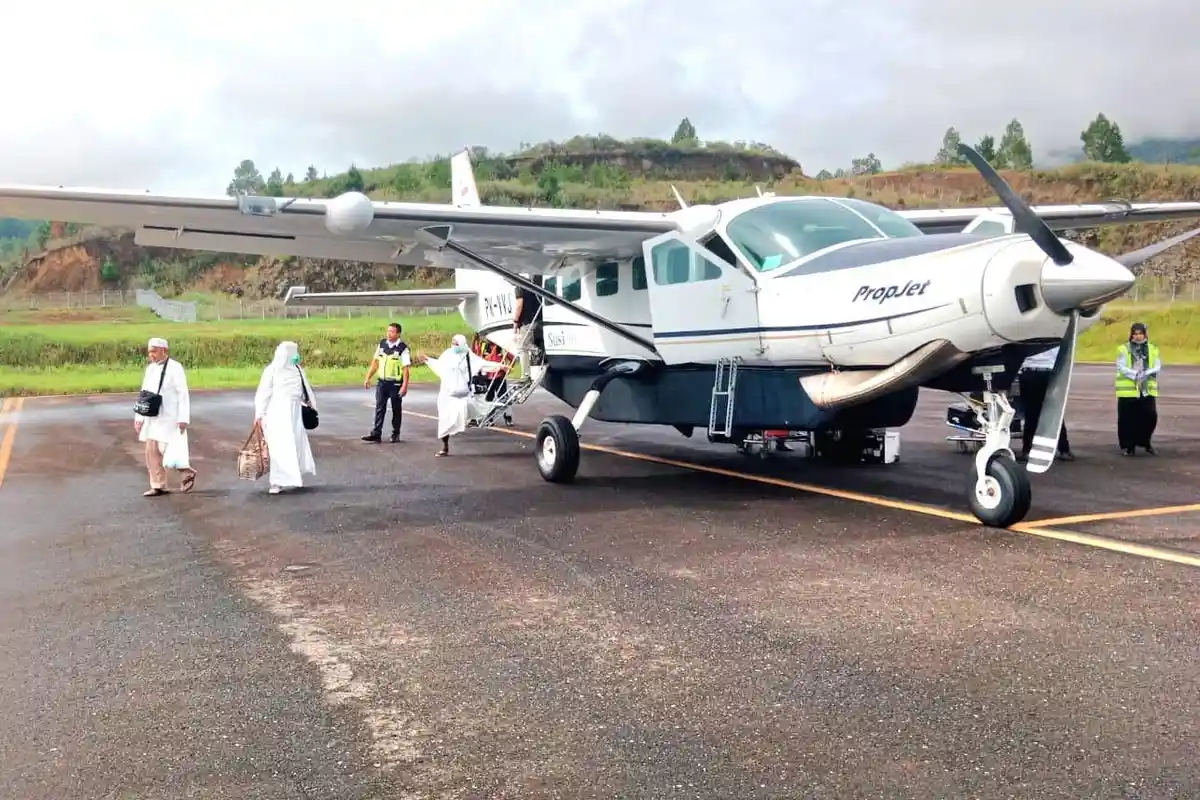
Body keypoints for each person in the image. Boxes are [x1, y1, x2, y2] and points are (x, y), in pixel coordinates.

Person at [414, 334, 506, 457]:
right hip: (447, 394)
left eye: (456, 344)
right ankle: (445, 447)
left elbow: (483, 364)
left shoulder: (469, 355)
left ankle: (485, 414)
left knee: (472, 409)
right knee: (444, 419)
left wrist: (500, 366)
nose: (454, 346)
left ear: (462, 344)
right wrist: (428, 359)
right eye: (452, 343)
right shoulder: (448, 354)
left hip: (462, 394)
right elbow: (439, 365)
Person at [133, 337, 196, 497]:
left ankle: (186, 472)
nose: (151, 355)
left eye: (154, 351)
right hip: (152, 416)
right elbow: (144, 394)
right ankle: (158, 485)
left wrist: (183, 417)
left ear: (164, 351)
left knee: (168, 449)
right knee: (151, 450)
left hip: (170, 415)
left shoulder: (175, 368)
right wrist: (139, 417)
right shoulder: (150, 369)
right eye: (149, 352)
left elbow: (183, 394)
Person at [254, 341, 317, 494]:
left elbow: (304, 389)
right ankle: (277, 482)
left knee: (295, 445)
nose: (296, 355)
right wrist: (259, 414)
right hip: (277, 414)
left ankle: (294, 477)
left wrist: (312, 407)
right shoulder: (272, 370)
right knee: (279, 447)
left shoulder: (297, 370)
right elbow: (263, 393)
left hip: (295, 414)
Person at [1016, 345, 1074, 462]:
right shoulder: (1053, 336)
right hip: (1049, 372)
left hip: (1029, 373)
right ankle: (1063, 449)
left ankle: (1027, 450)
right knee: (1054, 412)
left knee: (1031, 414)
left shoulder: (1028, 336)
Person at [1116, 321, 1161, 455]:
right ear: (1131, 335)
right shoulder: (1123, 348)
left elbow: (1158, 365)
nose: (1138, 336)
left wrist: (1146, 373)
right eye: (1135, 334)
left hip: (1146, 389)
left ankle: (1145, 441)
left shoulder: (1153, 348)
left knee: (1150, 417)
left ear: (1145, 334)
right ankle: (1129, 447)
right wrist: (1135, 374)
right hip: (1128, 390)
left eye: (1140, 333)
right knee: (1127, 420)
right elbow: (1121, 366)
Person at [362, 322, 411, 443]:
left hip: (395, 384)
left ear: (398, 334)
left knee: (396, 409)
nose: (389, 334)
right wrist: (368, 377)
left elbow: (406, 369)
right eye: (388, 331)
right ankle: (376, 433)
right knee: (379, 407)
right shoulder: (382, 344)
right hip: (382, 382)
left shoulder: (403, 348)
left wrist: (404, 386)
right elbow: (376, 362)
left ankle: (396, 433)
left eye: (392, 331)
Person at [511, 277, 544, 382]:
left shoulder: (519, 287)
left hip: (528, 321)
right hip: (539, 319)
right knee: (525, 343)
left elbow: (519, 305)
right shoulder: (530, 284)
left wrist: (515, 322)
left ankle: (525, 374)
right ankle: (537, 351)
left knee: (522, 347)